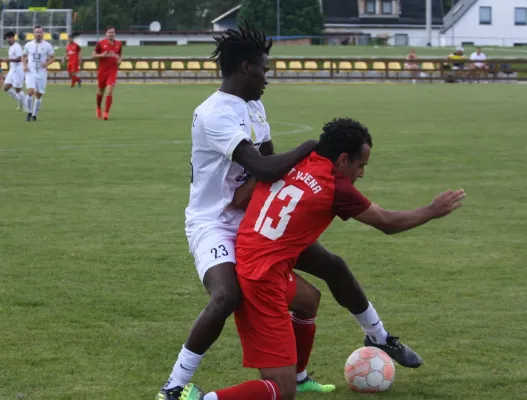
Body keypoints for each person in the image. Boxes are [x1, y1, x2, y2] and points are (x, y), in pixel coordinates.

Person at [157, 21, 422, 400]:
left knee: (330, 270)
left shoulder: (254, 107)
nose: (268, 75)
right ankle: (174, 386)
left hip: (254, 218)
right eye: (264, 67)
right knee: (227, 297)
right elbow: (265, 166)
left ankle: (378, 338)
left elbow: (271, 169)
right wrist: (313, 145)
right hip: (213, 223)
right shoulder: (215, 113)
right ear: (246, 67)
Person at [179, 118, 466, 400]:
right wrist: (431, 210)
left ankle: (301, 376)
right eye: (360, 165)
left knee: (308, 300)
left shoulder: (291, 161)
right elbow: (387, 222)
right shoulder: (335, 187)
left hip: (251, 256)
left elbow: (241, 199)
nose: (361, 174)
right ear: (342, 159)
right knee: (280, 389)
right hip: (262, 279)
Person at [22, 26, 55, 122]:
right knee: (30, 92)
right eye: (36, 32)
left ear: (43, 33)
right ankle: (28, 112)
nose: (38, 34)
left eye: (40, 32)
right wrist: (24, 65)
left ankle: (34, 115)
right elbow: (23, 56)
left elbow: (53, 58)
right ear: (33, 33)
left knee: (39, 95)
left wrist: (46, 63)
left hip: (41, 72)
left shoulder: (47, 45)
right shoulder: (28, 45)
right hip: (30, 71)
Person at [92, 26, 122, 120]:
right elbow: (93, 55)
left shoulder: (118, 44)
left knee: (109, 91)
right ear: (106, 34)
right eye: (109, 32)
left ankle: (106, 113)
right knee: (101, 91)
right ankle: (98, 108)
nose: (111, 34)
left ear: (115, 34)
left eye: (113, 32)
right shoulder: (100, 43)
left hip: (113, 71)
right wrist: (102, 55)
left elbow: (120, 55)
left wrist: (119, 60)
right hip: (102, 70)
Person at [2, 31, 26, 111]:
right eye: (7, 38)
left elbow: (20, 59)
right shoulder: (11, 47)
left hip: (18, 70)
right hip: (12, 70)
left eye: (9, 38)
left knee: (18, 89)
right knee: (6, 88)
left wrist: (8, 60)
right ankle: (20, 101)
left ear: (13, 38)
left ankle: (26, 106)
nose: (8, 40)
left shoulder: (17, 46)